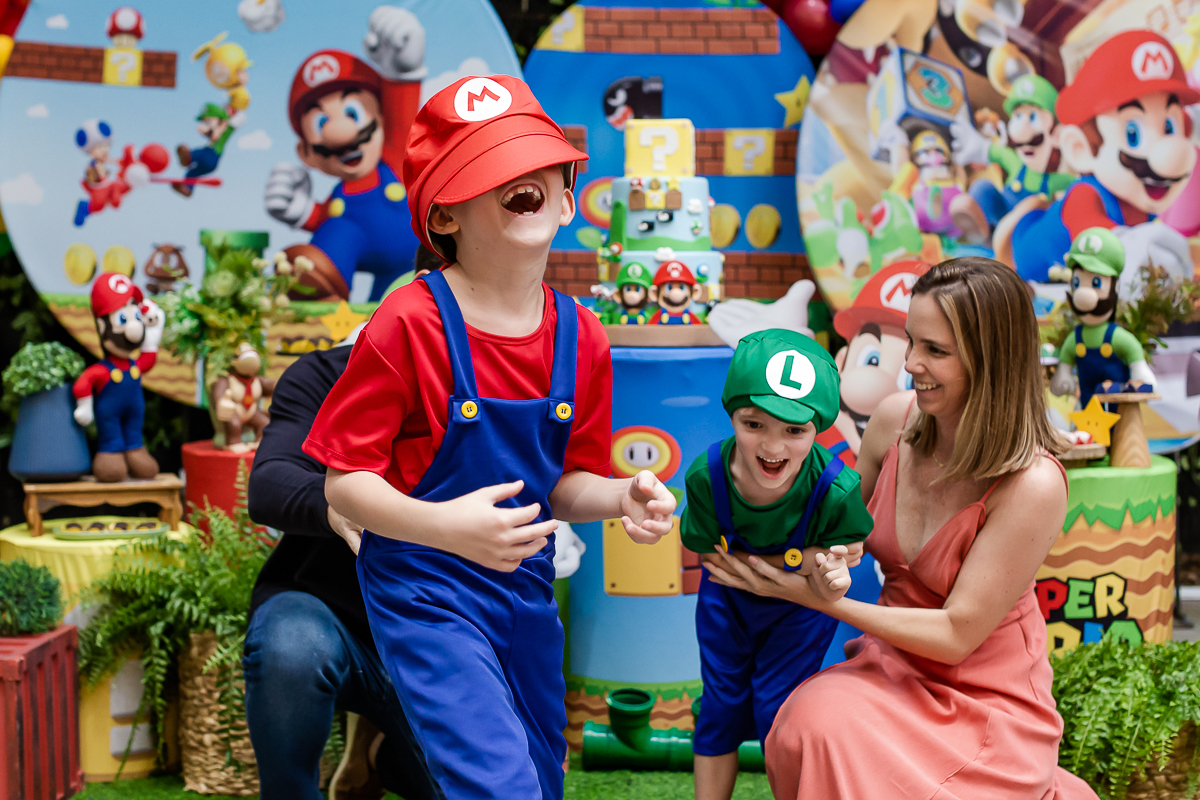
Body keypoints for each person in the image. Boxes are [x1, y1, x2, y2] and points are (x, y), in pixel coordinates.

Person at [303, 75, 676, 800]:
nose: (521, 176)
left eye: (535, 162)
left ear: (568, 198)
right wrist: (444, 527)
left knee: (541, 774)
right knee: (498, 783)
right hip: (427, 593)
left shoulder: (583, 336)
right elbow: (343, 483)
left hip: (526, 590)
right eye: (491, 167)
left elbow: (565, 485)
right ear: (444, 215)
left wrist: (621, 496)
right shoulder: (407, 323)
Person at [702, 258, 1099, 799]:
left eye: (935, 350)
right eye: (911, 341)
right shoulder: (894, 421)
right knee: (805, 724)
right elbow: (836, 526)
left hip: (988, 702)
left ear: (991, 360)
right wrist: (746, 507)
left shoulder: (1033, 483)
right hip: (893, 671)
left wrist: (817, 598)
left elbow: (958, 636)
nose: (910, 363)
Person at [244, 325, 438, 800]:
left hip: (442, 642)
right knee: (291, 646)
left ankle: (376, 755)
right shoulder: (329, 374)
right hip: (331, 616)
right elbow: (269, 483)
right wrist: (339, 504)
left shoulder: (501, 381)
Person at [680, 330, 870, 800]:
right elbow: (707, 554)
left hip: (798, 614)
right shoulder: (708, 476)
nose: (773, 446)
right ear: (731, 415)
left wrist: (804, 572)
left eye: (794, 430)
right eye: (754, 424)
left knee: (778, 710)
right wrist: (797, 562)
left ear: (818, 428)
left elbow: (847, 557)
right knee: (719, 709)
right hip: (727, 602)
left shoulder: (836, 488)